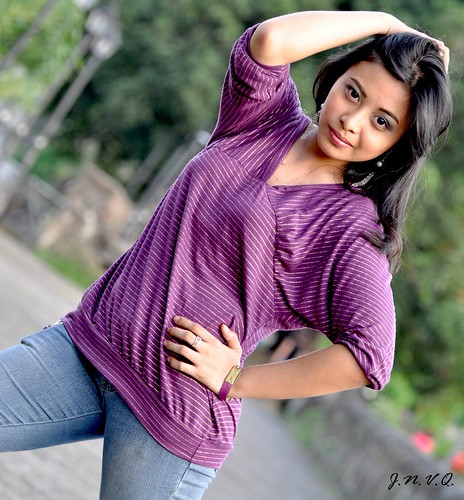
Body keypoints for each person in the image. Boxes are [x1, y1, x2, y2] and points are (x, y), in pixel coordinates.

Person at [0, 10, 452, 499]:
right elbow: (270, 41)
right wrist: (385, 23)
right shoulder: (265, 117)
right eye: (354, 92)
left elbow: (370, 355)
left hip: (173, 418)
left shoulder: (350, 229)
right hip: (87, 349)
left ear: (397, 144)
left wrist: (236, 379)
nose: (352, 120)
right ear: (338, 76)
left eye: (382, 122)